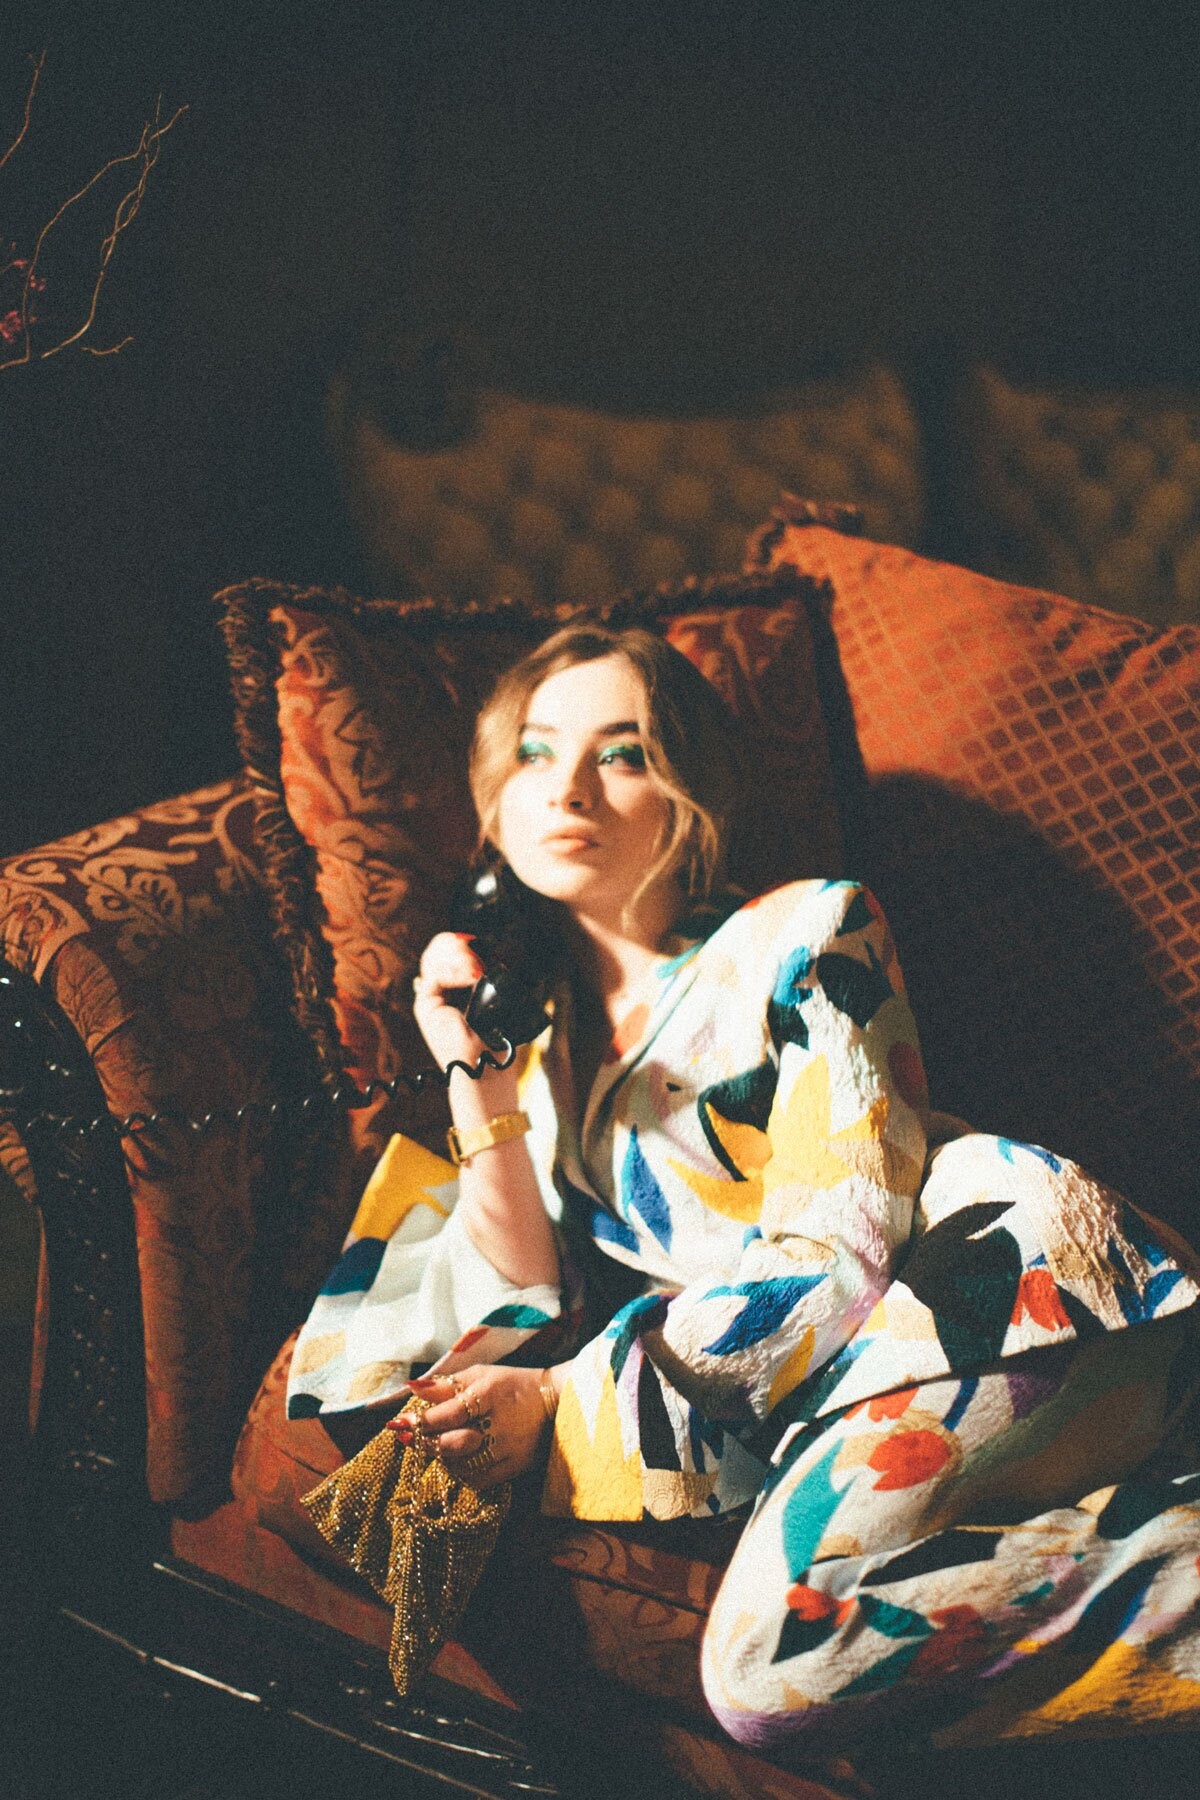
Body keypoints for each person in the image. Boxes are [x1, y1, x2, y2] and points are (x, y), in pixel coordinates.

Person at [287, 617, 1200, 1746]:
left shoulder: (809, 929)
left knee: (774, 1669)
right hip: (853, 1376)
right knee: (798, 1675)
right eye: (535, 752)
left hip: (1006, 1291)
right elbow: (520, 1276)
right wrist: (473, 1064)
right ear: (492, 805)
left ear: (689, 796)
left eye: (623, 753)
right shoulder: (544, 1032)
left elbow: (840, 1252)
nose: (568, 786)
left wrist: (565, 1402)